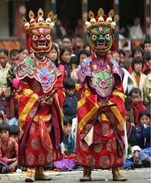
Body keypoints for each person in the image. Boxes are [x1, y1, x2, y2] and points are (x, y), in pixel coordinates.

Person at [76, 8, 127, 181]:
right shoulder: (86, 64)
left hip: (110, 108)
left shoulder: (114, 64)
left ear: (111, 39)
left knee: (113, 137)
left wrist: (112, 102)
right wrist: (95, 102)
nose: (100, 41)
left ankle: (116, 170)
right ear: (91, 39)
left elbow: (119, 89)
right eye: (96, 38)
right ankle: (87, 171)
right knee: (88, 137)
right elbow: (83, 90)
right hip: (93, 108)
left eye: (105, 37)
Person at [15, 9, 65, 182]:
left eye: (45, 38)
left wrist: (53, 98)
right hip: (33, 109)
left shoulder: (51, 65)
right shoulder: (26, 64)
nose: (42, 41)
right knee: (33, 139)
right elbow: (22, 87)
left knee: (45, 141)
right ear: (30, 39)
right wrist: (36, 99)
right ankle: (30, 171)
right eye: (37, 37)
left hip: (48, 108)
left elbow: (58, 85)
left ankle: (40, 170)